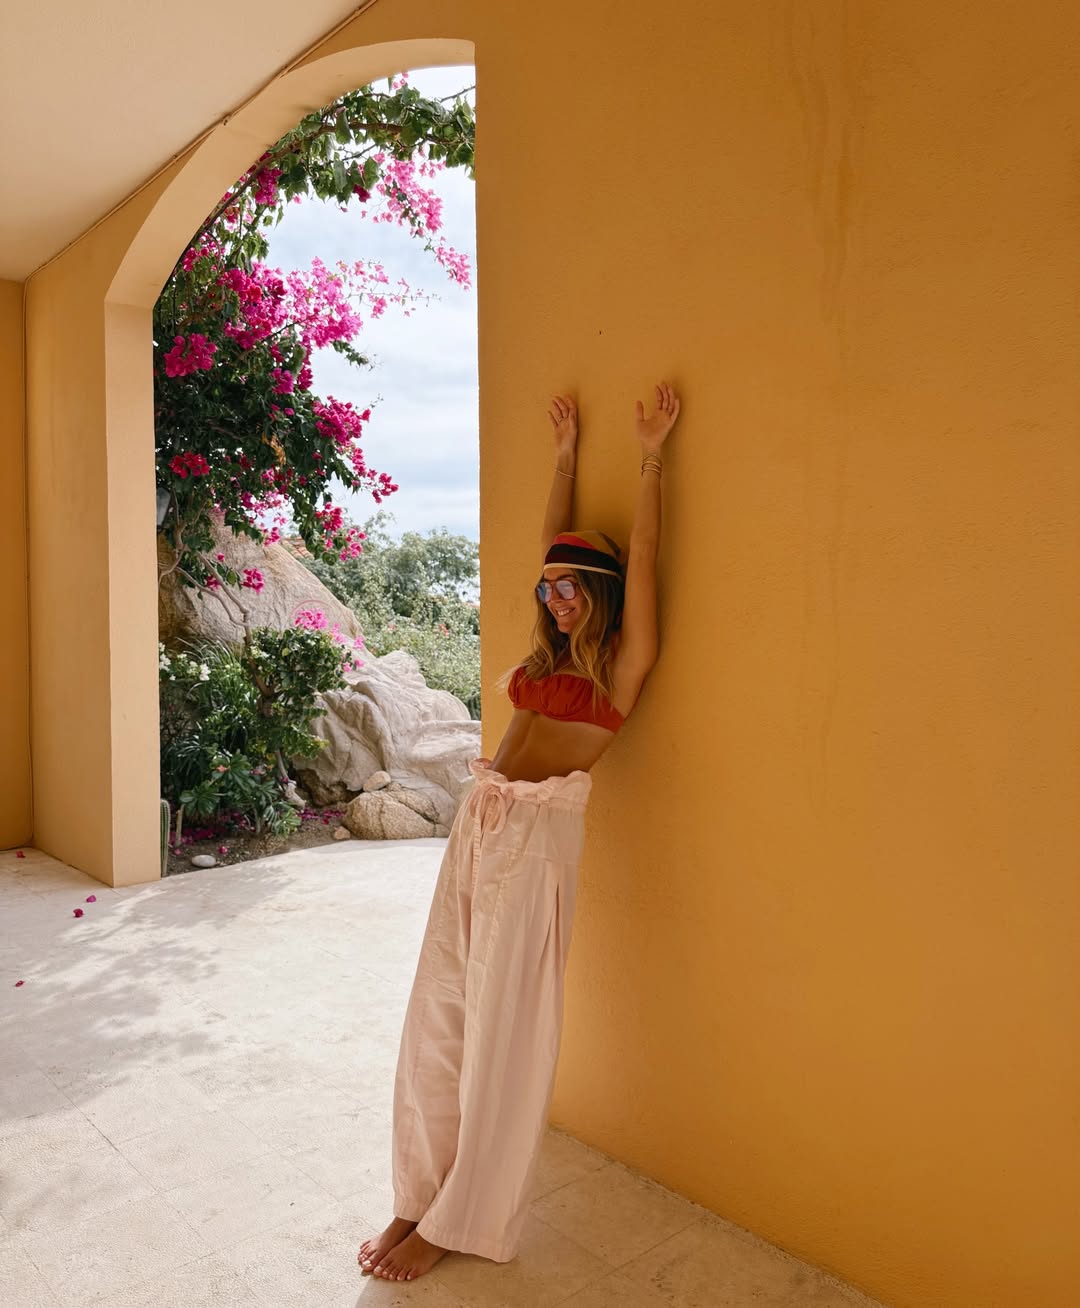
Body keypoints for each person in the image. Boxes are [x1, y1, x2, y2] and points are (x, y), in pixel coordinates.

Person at [357, 382, 681, 1282]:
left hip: (538, 842)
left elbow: (646, 557)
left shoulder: (622, 664)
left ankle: (463, 1217)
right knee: (439, 1014)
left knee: (503, 1034)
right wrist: (564, 459)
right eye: (548, 586)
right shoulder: (548, 655)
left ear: (600, 591)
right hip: (482, 819)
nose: (555, 596)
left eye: (570, 585)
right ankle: (419, 1193)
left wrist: (651, 455)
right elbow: (548, 545)